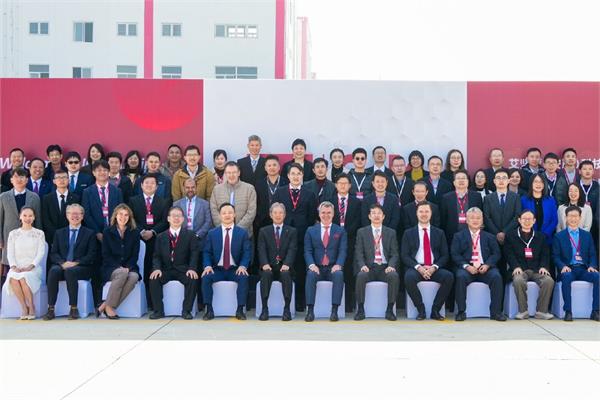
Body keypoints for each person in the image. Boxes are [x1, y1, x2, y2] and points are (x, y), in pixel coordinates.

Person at [272, 163, 318, 310]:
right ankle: (284, 301)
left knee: (299, 269)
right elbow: (274, 212)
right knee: (284, 268)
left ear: (302, 175)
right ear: (288, 176)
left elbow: (312, 216)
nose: (296, 176)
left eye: (298, 173)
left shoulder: (309, 193)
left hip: (302, 237)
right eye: (293, 173)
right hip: (283, 237)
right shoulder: (279, 192)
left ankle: (299, 301)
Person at [451, 207, 506, 321]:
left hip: (485, 267)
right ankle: (461, 311)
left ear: (482, 220)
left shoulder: (490, 237)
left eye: (478, 218)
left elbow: (496, 254)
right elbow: (455, 254)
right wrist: (467, 266)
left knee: (496, 277)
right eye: (472, 218)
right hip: (467, 267)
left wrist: (487, 265)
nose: (475, 220)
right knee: (460, 276)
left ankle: (496, 312)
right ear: (466, 220)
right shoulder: (458, 236)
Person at [43, 204, 97, 320]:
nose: (74, 216)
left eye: (78, 214)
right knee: (53, 271)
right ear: (67, 216)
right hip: (62, 265)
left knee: (70, 272)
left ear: (82, 216)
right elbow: (54, 253)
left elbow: (91, 255)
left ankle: (73, 308)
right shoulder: (59, 233)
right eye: (72, 213)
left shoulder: (89, 233)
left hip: (82, 267)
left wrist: (75, 263)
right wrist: (62, 263)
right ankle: (51, 309)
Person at [402, 202, 454, 320]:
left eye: (427, 211)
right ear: (416, 214)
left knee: (449, 277)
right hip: (417, 268)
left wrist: (434, 267)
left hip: (433, 267)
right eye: (421, 211)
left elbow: (445, 255)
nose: (424, 214)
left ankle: (435, 309)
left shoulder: (439, 232)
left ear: (431, 213)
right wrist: (418, 267)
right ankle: (421, 309)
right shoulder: (408, 233)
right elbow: (405, 256)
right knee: (408, 277)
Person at [82, 160, 124, 306]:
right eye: (98, 170)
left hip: (113, 236)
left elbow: (120, 213)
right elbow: (86, 214)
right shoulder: (87, 192)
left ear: (109, 172)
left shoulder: (116, 191)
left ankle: (110, 300)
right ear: (93, 173)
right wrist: (98, 233)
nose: (102, 173)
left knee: (111, 266)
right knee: (96, 268)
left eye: (105, 170)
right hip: (95, 237)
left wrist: (111, 232)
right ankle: (97, 302)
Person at [201, 203, 252, 320]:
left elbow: (246, 252)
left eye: (230, 212)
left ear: (234, 215)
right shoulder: (212, 233)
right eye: (224, 213)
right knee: (206, 277)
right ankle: (209, 309)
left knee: (243, 277)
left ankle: (240, 309)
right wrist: (207, 266)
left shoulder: (242, 233)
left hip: (235, 269)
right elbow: (207, 252)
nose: (227, 215)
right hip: (218, 269)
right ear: (219, 216)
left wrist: (243, 266)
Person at [148, 206, 200, 320]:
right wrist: (157, 268)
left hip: (183, 269)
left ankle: (186, 310)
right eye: (173, 216)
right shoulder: (161, 236)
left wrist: (192, 268)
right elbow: (156, 256)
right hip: (166, 269)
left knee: (193, 278)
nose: (176, 218)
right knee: (153, 278)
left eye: (179, 216)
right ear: (168, 218)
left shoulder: (190, 235)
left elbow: (194, 254)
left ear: (183, 219)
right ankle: (158, 311)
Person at [504, 210, 554, 320]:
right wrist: (515, 266)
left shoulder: (540, 236)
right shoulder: (511, 235)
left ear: (534, 221)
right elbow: (509, 254)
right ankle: (523, 311)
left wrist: (544, 266)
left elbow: (545, 254)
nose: (527, 221)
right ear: (519, 220)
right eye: (524, 219)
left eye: (530, 219)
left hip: (536, 269)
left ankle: (541, 311)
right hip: (520, 269)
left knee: (548, 281)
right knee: (518, 280)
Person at [129, 173, 170, 307]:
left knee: (154, 269)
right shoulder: (133, 201)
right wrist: (141, 231)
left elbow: (165, 221)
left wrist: (152, 232)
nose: (149, 185)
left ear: (157, 186)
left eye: (152, 183)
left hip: (156, 241)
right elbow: (132, 218)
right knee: (142, 269)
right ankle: (143, 300)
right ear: (141, 185)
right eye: (146, 183)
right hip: (138, 240)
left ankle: (153, 302)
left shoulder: (164, 201)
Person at [354, 203, 400, 321]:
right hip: (369, 267)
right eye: (373, 213)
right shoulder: (362, 232)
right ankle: (360, 309)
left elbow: (394, 253)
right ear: (369, 216)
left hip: (385, 267)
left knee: (393, 276)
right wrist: (362, 265)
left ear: (383, 216)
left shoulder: (391, 232)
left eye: (379, 213)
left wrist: (391, 266)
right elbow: (358, 252)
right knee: (361, 275)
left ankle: (389, 309)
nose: (376, 216)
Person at [553, 206, 599, 321]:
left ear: (580, 218)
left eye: (576, 216)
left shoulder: (587, 235)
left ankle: (595, 311)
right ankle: (568, 311)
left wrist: (592, 266)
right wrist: (562, 266)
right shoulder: (559, 236)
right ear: (566, 218)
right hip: (569, 269)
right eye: (570, 216)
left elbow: (593, 254)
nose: (573, 219)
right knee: (567, 277)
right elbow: (555, 256)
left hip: (584, 269)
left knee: (597, 276)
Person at [304, 201, 347, 322]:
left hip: (333, 267)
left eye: (329, 213)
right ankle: (310, 311)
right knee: (310, 275)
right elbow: (307, 250)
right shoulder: (310, 230)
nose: (326, 215)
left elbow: (343, 250)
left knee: (339, 275)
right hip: (316, 267)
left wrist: (338, 264)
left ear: (333, 214)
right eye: (323, 212)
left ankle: (334, 311)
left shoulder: (340, 231)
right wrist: (311, 265)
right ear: (319, 214)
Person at [98, 204, 140, 319]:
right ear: (115, 216)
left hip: (129, 267)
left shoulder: (134, 232)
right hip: (111, 267)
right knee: (122, 273)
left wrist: (128, 267)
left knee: (134, 277)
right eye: (120, 214)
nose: (123, 217)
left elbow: (134, 255)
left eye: (126, 215)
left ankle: (105, 305)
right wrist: (119, 267)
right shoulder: (107, 231)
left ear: (129, 217)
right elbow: (106, 255)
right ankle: (110, 308)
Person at [257, 202, 297, 321]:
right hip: (268, 266)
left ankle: (287, 309)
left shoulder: (292, 231)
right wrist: (264, 263)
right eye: (275, 213)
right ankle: (264, 309)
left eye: (280, 213)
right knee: (266, 275)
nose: (278, 215)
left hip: (284, 266)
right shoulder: (264, 231)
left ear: (284, 215)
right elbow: (261, 249)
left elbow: (292, 249)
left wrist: (287, 264)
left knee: (286, 275)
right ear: (270, 215)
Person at [5, 207, 45, 319]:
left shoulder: (39, 233)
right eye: (25, 215)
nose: (28, 218)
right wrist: (13, 266)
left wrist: (31, 266)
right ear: (20, 217)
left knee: (23, 277)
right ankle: (24, 307)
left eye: (30, 216)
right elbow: (10, 253)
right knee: (13, 278)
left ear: (34, 217)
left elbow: (41, 252)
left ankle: (31, 307)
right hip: (16, 267)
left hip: (33, 268)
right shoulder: (13, 234)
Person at [329, 173, 362, 311]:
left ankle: (348, 303)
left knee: (348, 271)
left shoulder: (356, 202)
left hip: (350, 239)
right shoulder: (329, 201)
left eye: (345, 183)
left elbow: (358, 221)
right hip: (331, 241)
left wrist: (345, 232)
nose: (342, 185)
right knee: (334, 269)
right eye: (340, 183)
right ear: (336, 185)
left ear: (349, 185)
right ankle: (334, 304)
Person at [0, 168, 42, 268]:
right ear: (11, 180)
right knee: (10, 267)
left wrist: (39, 238)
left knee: (27, 266)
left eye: (22, 177)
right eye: (16, 177)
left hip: (30, 238)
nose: (19, 179)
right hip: (9, 238)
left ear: (27, 180)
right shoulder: (3, 197)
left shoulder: (34, 197)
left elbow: (38, 220)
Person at [209, 161, 257, 237]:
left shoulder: (249, 189)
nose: (231, 175)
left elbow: (251, 211)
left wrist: (237, 229)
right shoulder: (217, 189)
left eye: (234, 172)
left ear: (239, 173)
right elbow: (213, 210)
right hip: (223, 234)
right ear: (225, 173)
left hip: (244, 234)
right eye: (228, 172)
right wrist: (223, 228)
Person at [441, 170, 483, 245]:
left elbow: (481, 216)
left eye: (463, 178)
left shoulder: (476, 196)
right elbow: (443, 220)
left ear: (468, 181)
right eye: (458, 178)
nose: (461, 180)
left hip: (473, 235)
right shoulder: (446, 198)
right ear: (454, 182)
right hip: (452, 236)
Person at [483, 168, 522, 250]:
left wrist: (504, 232)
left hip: (511, 236)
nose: (501, 180)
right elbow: (486, 218)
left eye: (504, 178)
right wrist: (497, 233)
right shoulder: (487, 198)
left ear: (508, 181)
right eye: (498, 178)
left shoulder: (516, 197)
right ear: (494, 181)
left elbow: (517, 216)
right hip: (492, 237)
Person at [42, 170, 80, 246]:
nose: (62, 180)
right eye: (58, 178)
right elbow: (45, 219)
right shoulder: (47, 198)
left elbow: (77, 218)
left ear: (69, 180)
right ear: (54, 181)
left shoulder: (76, 198)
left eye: (64, 177)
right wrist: (56, 235)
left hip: (71, 236)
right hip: (52, 238)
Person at [520, 173, 558, 246]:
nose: (538, 184)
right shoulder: (524, 200)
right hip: (528, 238)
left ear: (544, 184)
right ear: (531, 184)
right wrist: (532, 234)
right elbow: (521, 219)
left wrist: (545, 234)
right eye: (536, 181)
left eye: (541, 182)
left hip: (546, 238)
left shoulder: (550, 200)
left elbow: (554, 220)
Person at [173, 178, 212, 248]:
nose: (190, 189)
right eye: (187, 187)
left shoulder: (205, 204)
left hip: (200, 241)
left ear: (196, 188)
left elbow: (208, 222)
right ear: (183, 188)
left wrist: (197, 235)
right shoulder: (176, 204)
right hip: (181, 241)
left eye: (193, 187)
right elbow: (173, 222)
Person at [254, 155, 284, 230]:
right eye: (269, 165)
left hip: (282, 220)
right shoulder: (258, 184)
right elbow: (256, 203)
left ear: (279, 167)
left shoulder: (286, 182)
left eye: (274, 165)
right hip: (263, 221)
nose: (272, 168)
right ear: (265, 168)